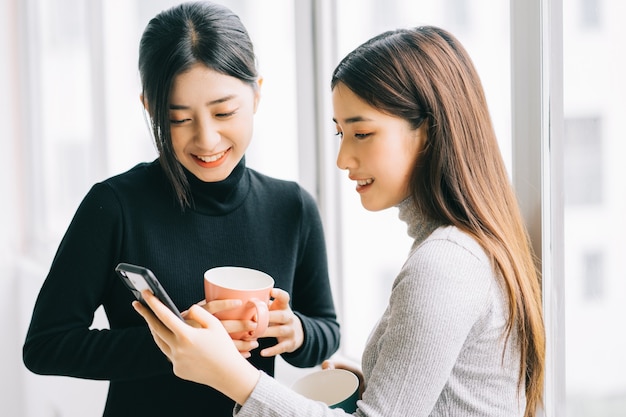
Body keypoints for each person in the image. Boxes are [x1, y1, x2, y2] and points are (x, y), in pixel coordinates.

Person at [133, 25, 547, 417]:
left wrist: (233, 377)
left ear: (429, 131)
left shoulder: (444, 265)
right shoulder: (458, 251)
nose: (342, 159)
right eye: (339, 134)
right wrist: (372, 380)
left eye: (362, 134)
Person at [22, 2, 340, 416]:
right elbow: (46, 346)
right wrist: (173, 341)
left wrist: (295, 332)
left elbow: (326, 330)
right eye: (177, 119)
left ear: (257, 93)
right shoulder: (114, 206)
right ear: (150, 108)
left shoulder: (291, 207)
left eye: (224, 112)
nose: (207, 140)